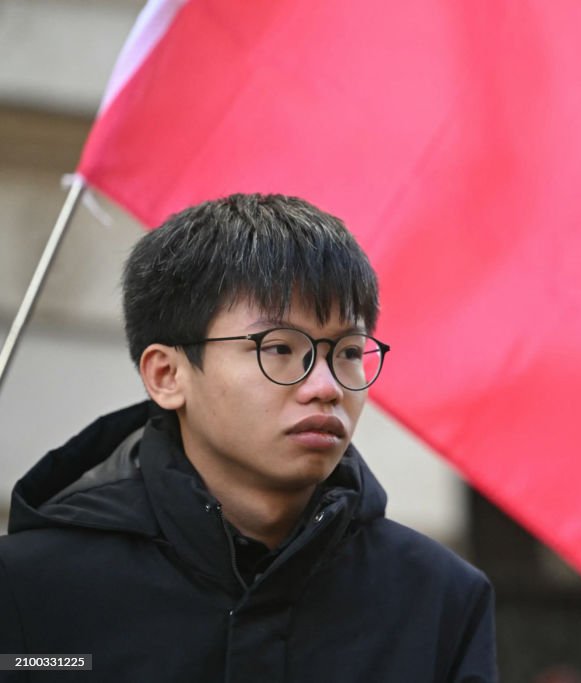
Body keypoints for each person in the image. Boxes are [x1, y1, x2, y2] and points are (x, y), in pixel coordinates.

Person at [0, 193, 497, 682]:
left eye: (347, 351)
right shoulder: (33, 589)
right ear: (166, 375)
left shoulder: (437, 601)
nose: (326, 387)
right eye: (279, 348)